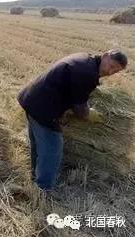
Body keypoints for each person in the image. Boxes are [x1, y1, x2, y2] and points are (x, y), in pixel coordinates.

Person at [17, 50, 128, 191]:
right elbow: (79, 109)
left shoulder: (86, 59)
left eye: (115, 71)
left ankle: (35, 176)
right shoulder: (87, 73)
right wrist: (89, 114)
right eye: (111, 66)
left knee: (39, 144)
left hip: (32, 97)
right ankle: (43, 189)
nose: (110, 71)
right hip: (43, 107)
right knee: (53, 149)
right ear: (105, 55)